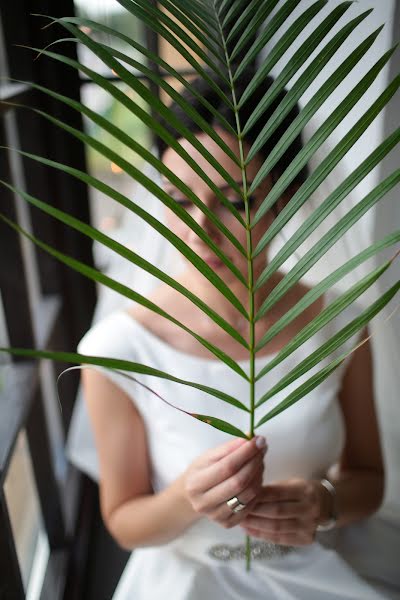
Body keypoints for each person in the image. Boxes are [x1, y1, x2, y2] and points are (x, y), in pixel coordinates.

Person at [77, 73, 386, 599]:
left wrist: (324, 502)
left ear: (286, 199)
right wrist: (185, 499)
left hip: (313, 576)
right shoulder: (118, 350)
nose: (199, 233)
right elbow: (124, 521)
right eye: (177, 197)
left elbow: (369, 480)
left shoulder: (341, 325)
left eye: (235, 202)